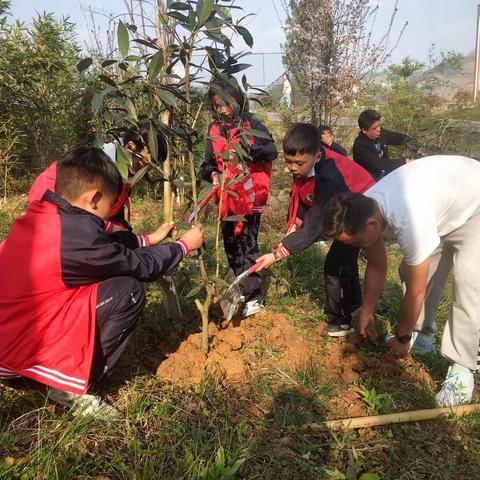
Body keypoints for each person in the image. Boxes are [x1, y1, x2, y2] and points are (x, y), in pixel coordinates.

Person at [0, 147, 204, 416]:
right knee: (127, 291)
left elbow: (108, 245)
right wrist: (182, 246)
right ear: (95, 198)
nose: (110, 215)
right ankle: (72, 386)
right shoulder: (78, 240)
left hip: (9, 347)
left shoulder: (47, 215)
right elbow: (141, 266)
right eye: (110, 205)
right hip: (20, 362)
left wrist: (148, 239)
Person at [321, 155, 480, 406]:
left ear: (372, 226)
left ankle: (462, 371)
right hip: (443, 206)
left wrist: (401, 337)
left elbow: (415, 293)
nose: (354, 248)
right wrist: (367, 311)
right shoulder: (365, 207)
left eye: (354, 243)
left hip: (475, 205)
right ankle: (423, 337)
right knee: (410, 271)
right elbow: (376, 264)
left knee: (468, 285)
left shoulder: (409, 218)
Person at [255, 123, 375, 336]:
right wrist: (295, 223)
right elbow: (302, 195)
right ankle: (354, 305)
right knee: (343, 262)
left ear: (317, 156)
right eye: (288, 161)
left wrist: (277, 254)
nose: (292, 168)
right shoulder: (307, 165)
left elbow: (317, 219)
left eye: (298, 163)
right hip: (346, 205)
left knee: (335, 264)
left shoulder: (330, 177)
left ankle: (342, 319)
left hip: (361, 209)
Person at [199, 80, 278, 317]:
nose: (222, 109)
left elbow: (271, 150)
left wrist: (243, 151)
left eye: (225, 104)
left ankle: (255, 296)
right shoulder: (214, 130)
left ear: (237, 100)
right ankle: (242, 287)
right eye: (217, 105)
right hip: (227, 198)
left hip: (250, 197)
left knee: (248, 245)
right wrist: (213, 174)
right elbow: (207, 164)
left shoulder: (251, 124)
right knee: (231, 244)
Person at [27, 128, 168, 249]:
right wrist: (111, 228)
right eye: (147, 161)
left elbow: (115, 212)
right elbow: (69, 215)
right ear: (130, 146)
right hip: (53, 229)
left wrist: (127, 236)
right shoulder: (92, 167)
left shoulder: (126, 172)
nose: (147, 168)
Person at [352, 109, 425, 181]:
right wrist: (404, 162)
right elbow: (379, 163)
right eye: (374, 128)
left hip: (386, 176)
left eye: (379, 125)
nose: (379, 129)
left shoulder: (381, 134)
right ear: (364, 130)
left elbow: (400, 138)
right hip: (370, 182)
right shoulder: (360, 146)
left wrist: (417, 147)